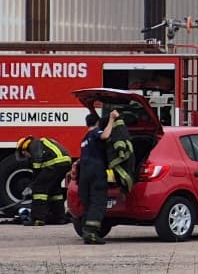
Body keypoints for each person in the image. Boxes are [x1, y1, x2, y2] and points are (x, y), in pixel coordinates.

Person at [78, 104, 133, 245]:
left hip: (84, 173)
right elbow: (105, 135)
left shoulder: (84, 139)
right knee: (98, 201)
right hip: (96, 172)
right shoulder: (95, 133)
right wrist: (112, 119)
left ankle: (86, 230)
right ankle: (91, 233)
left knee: (88, 201)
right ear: (96, 124)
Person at [16, 135, 72, 226]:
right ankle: (59, 218)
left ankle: (37, 219)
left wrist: (32, 186)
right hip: (65, 163)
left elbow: (37, 170)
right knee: (55, 190)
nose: (26, 156)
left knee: (39, 189)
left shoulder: (33, 146)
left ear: (24, 148)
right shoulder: (40, 143)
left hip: (54, 164)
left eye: (23, 154)